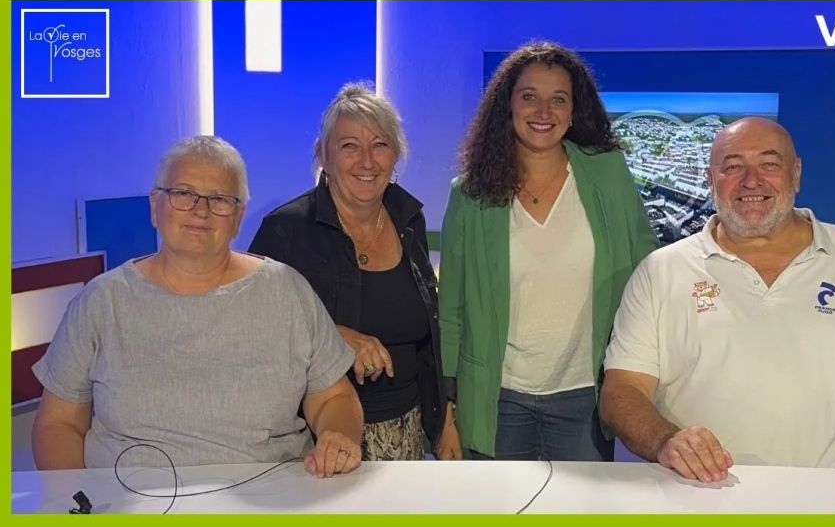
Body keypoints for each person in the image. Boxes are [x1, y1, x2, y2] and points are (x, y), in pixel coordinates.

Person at [600, 117, 835, 482]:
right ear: (711, 180)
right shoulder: (659, 271)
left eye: (769, 164)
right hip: (695, 499)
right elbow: (622, 391)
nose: (751, 181)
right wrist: (666, 441)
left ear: (796, 174)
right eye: (732, 166)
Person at [31, 136, 363, 478]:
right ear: (154, 206)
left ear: (238, 217)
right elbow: (59, 424)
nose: (200, 211)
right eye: (183, 193)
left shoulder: (287, 290)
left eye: (219, 199)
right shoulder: (100, 301)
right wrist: (77, 503)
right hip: (129, 504)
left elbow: (333, 398)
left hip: (270, 499)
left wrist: (338, 437)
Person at [439, 42, 658, 461]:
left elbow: (646, 273)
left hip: (584, 398)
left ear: (574, 110)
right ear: (508, 106)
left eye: (558, 99)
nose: (544, 111)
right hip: (494, 399)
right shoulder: (470, 194)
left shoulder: (608, 174)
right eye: (529, 97)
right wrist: (448, 412)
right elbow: (451, 311)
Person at [249, 84, 460, 461]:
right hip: (318, 437)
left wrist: (445, 421)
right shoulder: (285, 231)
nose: (367, 161)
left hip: (405, 431)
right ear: (323, 156)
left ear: (396, 155)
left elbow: (429, 340)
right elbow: (252, 334)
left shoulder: (409, 220)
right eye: (349, 146)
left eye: (380, 145)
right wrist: (330, 336)